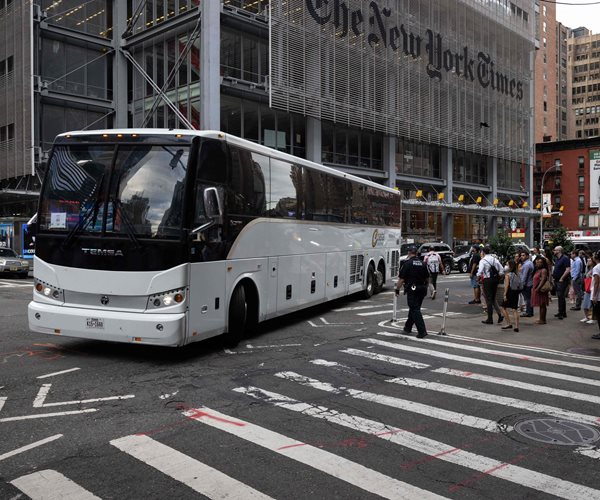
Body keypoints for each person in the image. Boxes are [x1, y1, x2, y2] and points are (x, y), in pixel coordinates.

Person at [396, 245, 430, 338]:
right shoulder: (423, 263)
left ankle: (422, 331)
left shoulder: (407, 264)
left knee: (415, 309)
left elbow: (401, 279)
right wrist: (428, 288)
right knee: (414, 307)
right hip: (422, 288)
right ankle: (408, 327)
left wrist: (397, 289)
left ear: (409, 253)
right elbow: (427, 278)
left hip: (413, 288)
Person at [477, 246, 504, 325]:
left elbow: (480, 271)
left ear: (483, 252)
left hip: (487, 280)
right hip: (495, 280)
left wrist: (478, 277)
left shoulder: (483, 260)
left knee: (488, 299)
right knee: (492, 298)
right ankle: (499, 315)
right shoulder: (494, 259)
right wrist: (498, 276)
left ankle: (490, 318)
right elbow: (502, 270)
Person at [501, 260, 521, 332]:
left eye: (507, 265)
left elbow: (506, 286)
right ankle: (516, 326)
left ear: (510, 266)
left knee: (503, 307)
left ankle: (508, 323)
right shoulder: (518, 274)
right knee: (514, 309)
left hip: (509, 292)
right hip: (516, 292)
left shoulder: (508, 275)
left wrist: (504, 294)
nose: (506, 266)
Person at [552, 246, 571, 319]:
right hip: (557, 280)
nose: (554, 251)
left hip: (562, 280)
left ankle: (561, 313)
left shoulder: (565, 258)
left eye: (555, 250)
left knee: (561, 296)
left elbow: (568, 269)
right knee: (560, 296)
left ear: (559, 251)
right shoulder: (557, 259)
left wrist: (562, 278)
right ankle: (562, 312)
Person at [532, 256, 550, 324]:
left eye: (540, 262)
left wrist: (538, 288)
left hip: (541, 290)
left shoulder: (543, 270)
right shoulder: (537, 270)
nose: (538, 263)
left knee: (542, 305)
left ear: (543, 263)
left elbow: (543, 279)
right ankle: (541, 319)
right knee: (541, 305)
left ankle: (543, 320)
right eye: (537, 262)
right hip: (537, 288)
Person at [518, 251, 534, 318]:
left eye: (523, 255)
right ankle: (529, 311)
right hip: (529, 283)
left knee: (527, 299)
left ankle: (528, 312)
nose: (521, 256)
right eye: (521, 255)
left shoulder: (527, 264)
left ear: (527, 256)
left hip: (527, 284)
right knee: (528, 298)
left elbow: (524, 276)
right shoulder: (529, 263)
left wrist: (522, 285)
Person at [581, 253, 594, 325]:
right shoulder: (588, 268)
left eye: (589, 261)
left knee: (591, 305)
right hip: (587, 288)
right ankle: (586, 317)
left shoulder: (594, 269)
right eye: (587, 261)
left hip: (591, 288)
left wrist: (590, 276)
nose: (588, 262)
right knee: (585, 304)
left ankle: (592, 317)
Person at [590, 251, 600, 340]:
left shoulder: (597, 268)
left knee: (599, 315)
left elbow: (596, 283)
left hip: (598, 295)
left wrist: (594, 296)